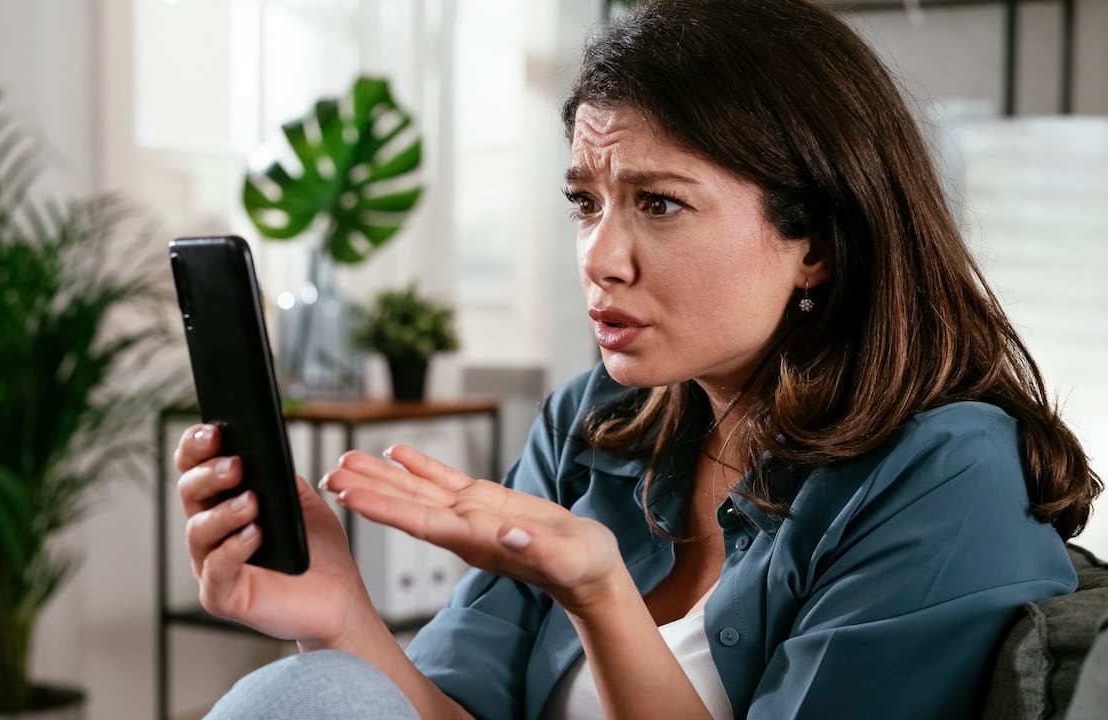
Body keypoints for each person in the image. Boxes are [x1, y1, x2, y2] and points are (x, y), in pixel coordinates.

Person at [174, 1, 1102, 717]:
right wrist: (337, 614)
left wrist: (599, 593)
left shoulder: (945, 473)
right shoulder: (592, 424)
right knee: (311, 687)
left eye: (659, 204)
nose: (600, 257)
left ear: (815, 242)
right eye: (586, 202)